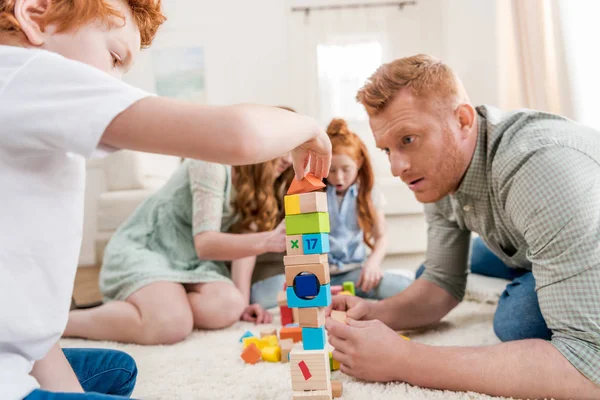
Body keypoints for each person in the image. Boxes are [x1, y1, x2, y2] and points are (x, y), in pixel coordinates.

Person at [0, 1, 331, 399]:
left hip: (23, 343)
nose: (116, 82)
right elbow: (238, 135)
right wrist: (309, 127)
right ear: (36, 15)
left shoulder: (33, 109)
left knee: (117, 370)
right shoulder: (23, 73)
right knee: (159, 330)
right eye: (114, 56)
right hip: (146, 262)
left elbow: (30, 318)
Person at [325, 54, 600, 400]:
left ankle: (542, 276)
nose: (397, 167)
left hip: (575, 226)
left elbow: (589, 366)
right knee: (429, 270)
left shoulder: (538, 167)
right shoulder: (437, 171)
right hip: (526, 235)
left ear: (463, 120)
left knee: (517, 320)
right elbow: (442, 283)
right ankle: (537, 270)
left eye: (408, 140)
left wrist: (404, 359)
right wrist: (377, 314)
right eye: (387, 150)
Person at [64, 155, 296, 344]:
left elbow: (247, 246)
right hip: (148, 249)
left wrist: (244, 305)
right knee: (173, 324)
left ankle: (156, 304)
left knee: (229, 306)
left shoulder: (261, 187)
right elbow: (206, 245)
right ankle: (63, 323)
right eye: (284, 147)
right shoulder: (212, 163)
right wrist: (267, 240)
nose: (288, 158)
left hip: (191, 263)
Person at [324, 118, 411, 297]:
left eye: (346, 169)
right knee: (264, 295)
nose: (339, 177)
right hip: (318, 276)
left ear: (359, 163)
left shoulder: (369, 193)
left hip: (355, 274)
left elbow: (381, 237)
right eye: (331, 170)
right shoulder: (315, 194)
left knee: (406, 290)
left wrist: (373, 264)